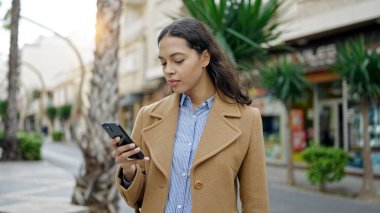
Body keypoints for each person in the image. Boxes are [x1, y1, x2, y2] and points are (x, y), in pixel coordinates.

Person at [110, 18, 269, 213]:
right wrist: (129, 170)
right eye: (163, 63)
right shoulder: (148, 116)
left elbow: (256, 203)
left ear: (204, 58)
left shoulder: (248, 119)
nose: (169, 70)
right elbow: (137, 199)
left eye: (178, 60)